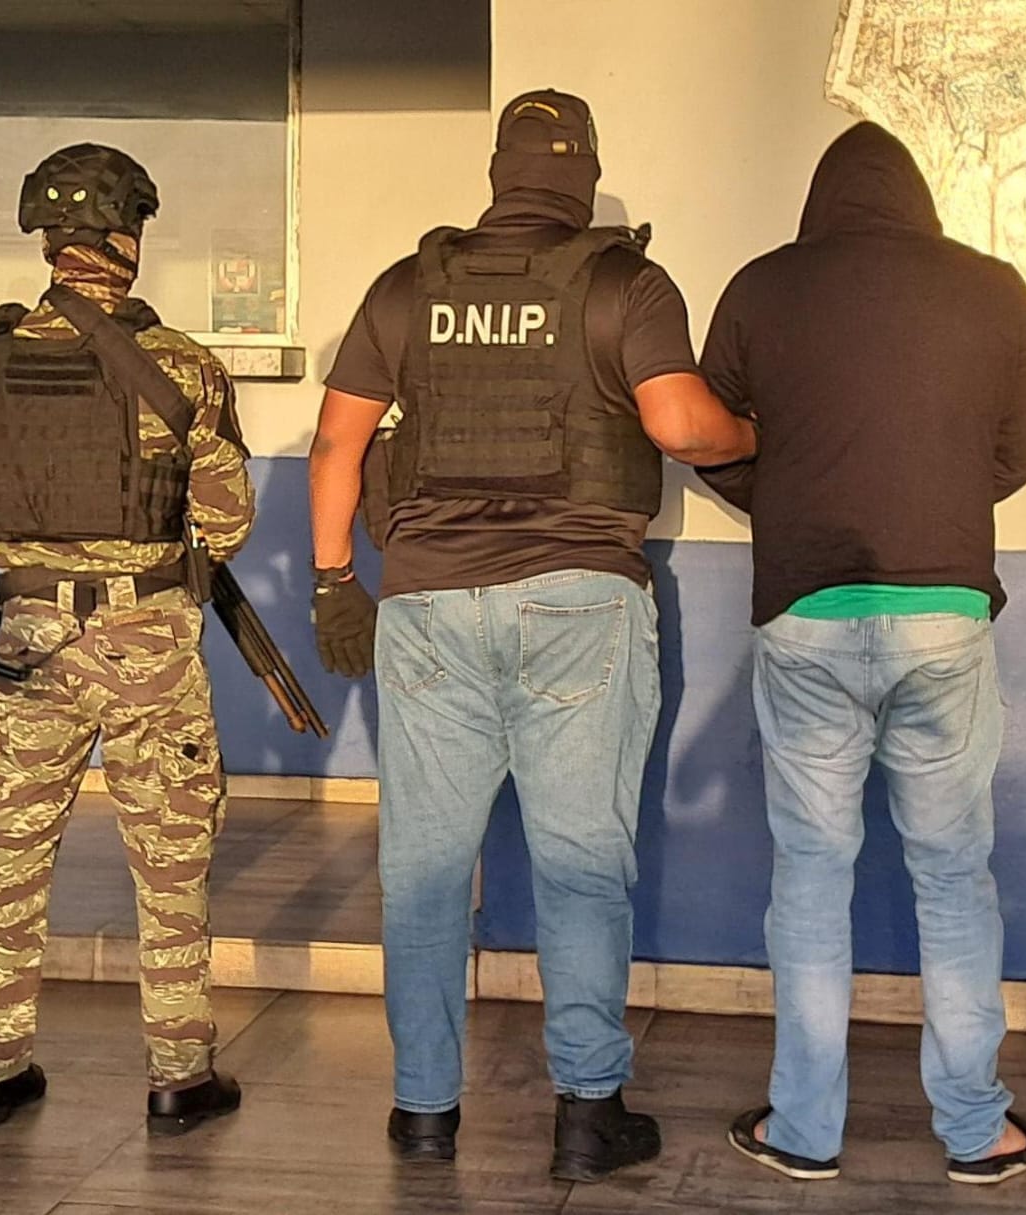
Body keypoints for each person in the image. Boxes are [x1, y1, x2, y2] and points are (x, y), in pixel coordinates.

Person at [309, 89, 758, 1181]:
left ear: (497, 176)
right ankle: (586, 1112)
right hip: (578, 601)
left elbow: (335, 446)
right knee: (581, 862)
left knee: (423, 869)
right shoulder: (624, 282)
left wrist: (332, 583)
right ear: (582, 179)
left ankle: (424, 1112)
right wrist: (754, 433)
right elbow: (679, 424)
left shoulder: (409, 285)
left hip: (426, 604)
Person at [698, 121, 1026, 1185]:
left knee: (810, 875)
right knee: (953, 876)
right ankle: (974, 1129)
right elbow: (1015, 453)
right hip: (945, 612)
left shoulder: (762, 285)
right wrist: (934, 494)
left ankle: (803, 1129)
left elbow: (711, 436)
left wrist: (788, 498)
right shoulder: (993, 288)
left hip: (804, 612)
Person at [0, 144, 253, 1136]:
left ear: (47, 239)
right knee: (169, 861)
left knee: (8, 856)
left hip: (29, 640)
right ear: (129, 238)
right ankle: (179, 1075)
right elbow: (229, 519)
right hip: (147, 642)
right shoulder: (181, 367)